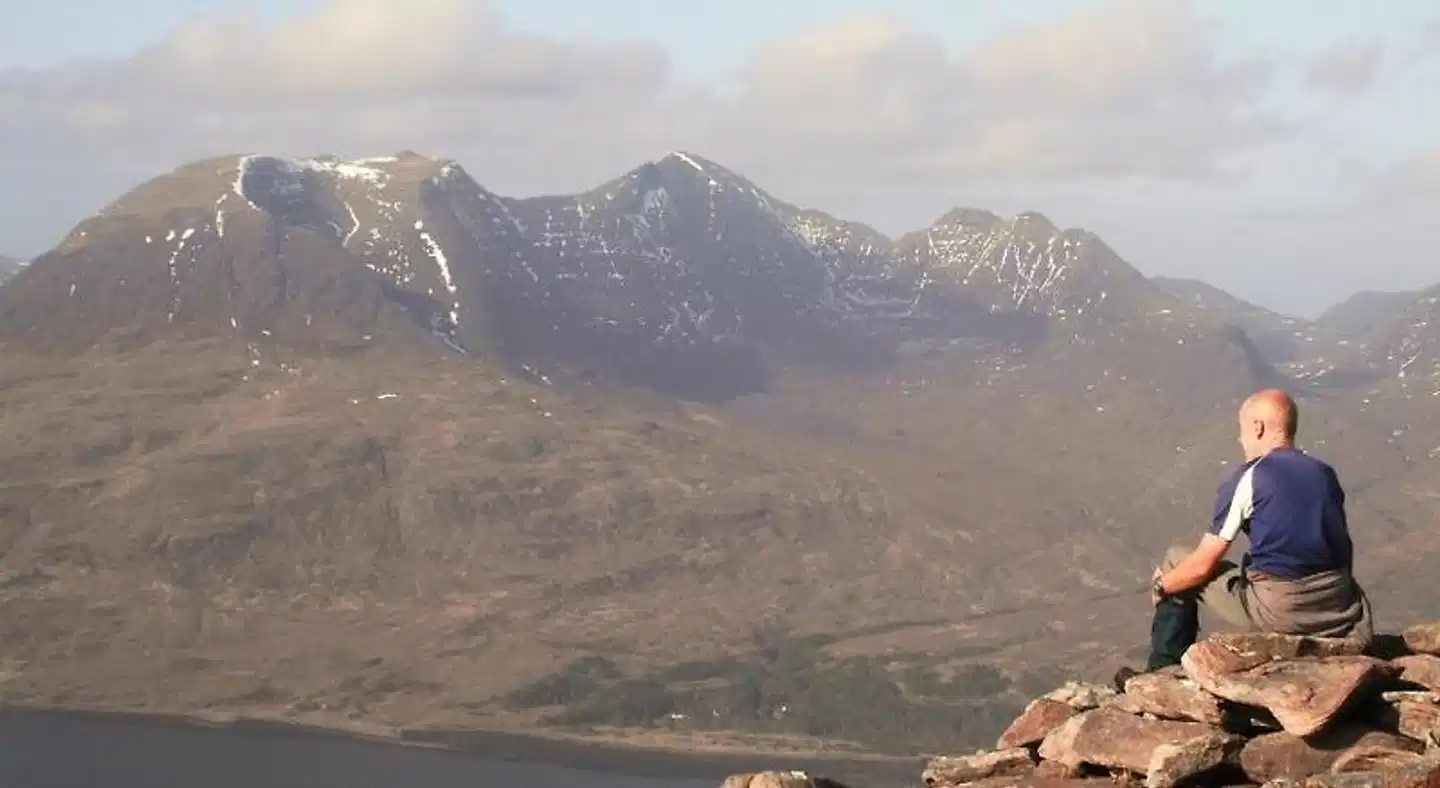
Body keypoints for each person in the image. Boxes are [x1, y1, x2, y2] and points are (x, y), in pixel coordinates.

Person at [1115, 388, 1373, 687]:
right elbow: (1342, 548)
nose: (1241, 441)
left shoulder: (1252, 476)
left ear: (1258, 428)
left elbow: (1201, 565)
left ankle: (1158, 677)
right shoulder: (1324, 474)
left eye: (1242, 431)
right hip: (1340, 611)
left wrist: (1163, 586)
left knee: (1178, 559)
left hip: (1281, 613)